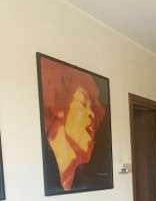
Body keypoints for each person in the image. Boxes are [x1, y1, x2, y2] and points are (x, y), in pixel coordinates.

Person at [40, 58, 106, 191]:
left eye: (93, 109)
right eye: (83, 103)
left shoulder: (80, 182)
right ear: (59, 110)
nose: (92, 114)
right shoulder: (40, 170)